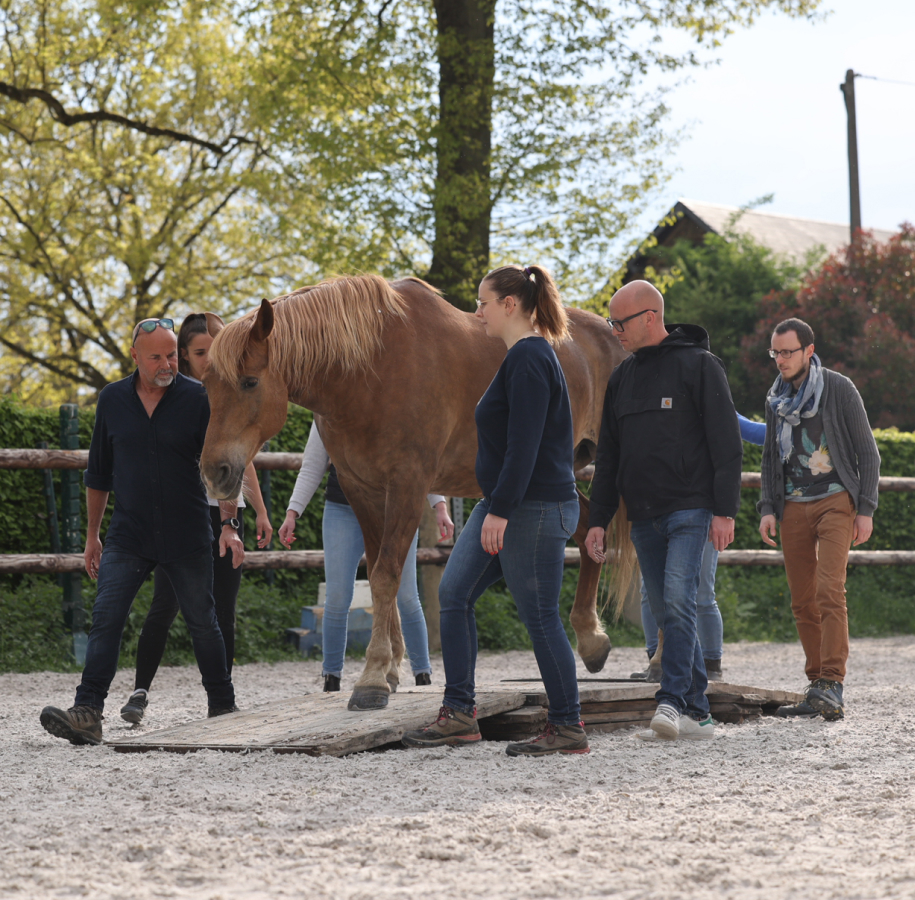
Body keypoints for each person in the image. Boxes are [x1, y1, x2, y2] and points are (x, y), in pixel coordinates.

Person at [402, 264, 589, 758]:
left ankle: (568, 725)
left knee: (540, 616)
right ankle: (460, 714)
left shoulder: (529, 357)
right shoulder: (519, 356)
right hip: (506, 503)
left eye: (483, 303)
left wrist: (500, 511)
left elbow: (526, 446)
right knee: (455, 592)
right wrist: (497, 505)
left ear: (511, 305)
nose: (476, 312)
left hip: (534, 507)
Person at [40, 318, 243, 746]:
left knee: (203, 622)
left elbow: (223, 462)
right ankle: (88, 712)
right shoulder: (112, 399)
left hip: (186, 531)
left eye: (172, 354)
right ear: (135, 356)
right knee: (106, 619)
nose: (168, 363)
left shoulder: (197, 398)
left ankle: (222, 706)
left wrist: (228, 524)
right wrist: (92, 536)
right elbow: (99, 474)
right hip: (127, 534)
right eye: (157, 356)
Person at [585, 280, 742, 743]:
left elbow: (726, 445)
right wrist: (598, 518)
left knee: (678, 600)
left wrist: (725, 511)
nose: (614, 330)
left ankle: (670, 702)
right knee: (668, 609)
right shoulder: (622, 377)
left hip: (691, 510)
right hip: (644, 517)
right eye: (611, 322)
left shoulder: (701, 366)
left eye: (620, 322)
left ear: (650, 317)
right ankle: (698, 712)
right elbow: (609, 456)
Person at [119, 313, 274, 724]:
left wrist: (255, 509)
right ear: (185, 356)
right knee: (165, 604)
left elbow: (242, 458)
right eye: (201, 352)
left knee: (223, 606)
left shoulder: (225, 392)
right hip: (183, 514)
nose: (209, 359)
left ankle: (222, 699)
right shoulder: (175, 397)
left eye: (215, 350)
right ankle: (140, 691)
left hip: (225, 511)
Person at [758, 318, 880, 722]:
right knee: (801, 600)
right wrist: (767, 508)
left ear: (809, 351)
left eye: (788, 352)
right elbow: (770, 459)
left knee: (831, 589)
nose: (780, 360)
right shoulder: (775, 399)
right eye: (775, 352)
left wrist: (865, 508)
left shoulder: (839, 388)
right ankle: (817, 686)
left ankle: (833, 682)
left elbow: (869, 454)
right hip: (792, 505)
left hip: (836, 501)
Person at [279, 422, 453, 691]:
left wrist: (439, 505)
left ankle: (422, 675)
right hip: (342, 509)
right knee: (336, 596)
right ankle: (331, 678)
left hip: (394, 508)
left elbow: (418, 458)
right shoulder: (327, 414)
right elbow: (312, 465)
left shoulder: (395, 403)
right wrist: (293, 512)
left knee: (406, 594)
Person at [632, 413, 766, 683]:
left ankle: (711, 663)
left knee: (702, 590)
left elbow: (756, 434)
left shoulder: (709, 401)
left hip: (700, 508)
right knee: (649, 591)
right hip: (660, 506)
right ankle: (655, 661)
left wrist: (795, 421)